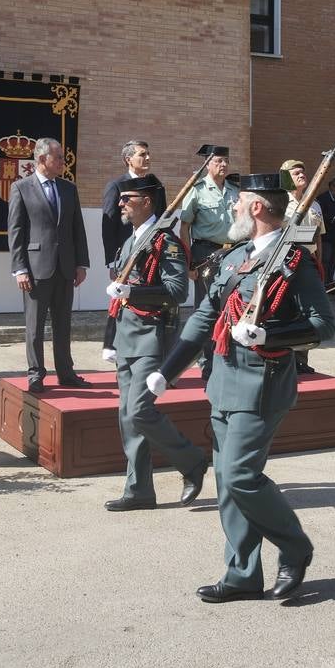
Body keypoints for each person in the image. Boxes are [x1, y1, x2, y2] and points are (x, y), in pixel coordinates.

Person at [145, 173, 335, 603]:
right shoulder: (235, 259)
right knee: (229, 486)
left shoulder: (294, 262)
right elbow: (204, 317)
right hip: (223, 381)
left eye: (238, 200)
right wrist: (168, 369)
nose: (231, 206)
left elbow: (325, 325)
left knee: (239, 476)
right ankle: (242, 574)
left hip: (262, 385)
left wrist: (270, 336)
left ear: (256, 208)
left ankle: (295, 547)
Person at [103, 174, 208, 511]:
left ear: (146, 201)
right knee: (127, 417)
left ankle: (192, 460)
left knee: (140, 410)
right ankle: (139, 490)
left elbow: (178, 291)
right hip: (126, 335)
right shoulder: (132, 239)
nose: (120, 203)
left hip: (152, 336)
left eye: (127, 198)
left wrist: (133, 292)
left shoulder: (166, 241)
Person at [8, 137, 91, 394]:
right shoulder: (21, 188)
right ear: (42, 159)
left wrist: (81, 264)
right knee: (34, 326)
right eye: (59, 158)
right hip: (35, 269)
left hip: (65, 268)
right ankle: (35, 375)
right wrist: (19, 268)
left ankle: (66, 373)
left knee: (63, 323)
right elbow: (16, 231)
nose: (63, 163)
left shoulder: (68, 188)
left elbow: (78, 228)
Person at [177, 145, 238, 306]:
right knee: (207, 302)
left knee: (230, 299)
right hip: (206, 254)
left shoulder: (235, 190)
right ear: (208, 164)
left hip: (233, 252)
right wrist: (189, 262)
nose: (224, 164)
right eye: (219, 161)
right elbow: (184, 227)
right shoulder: (197, 190)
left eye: (226, 161)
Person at [281, 158, 324, 374]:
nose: (301, 175)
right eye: (295, 173)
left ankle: (302, 359)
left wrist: (320, 265)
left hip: (309, 263)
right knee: (288, 311)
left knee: (308, 312)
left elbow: (318, 238)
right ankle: (286, 357)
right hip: (287, 263)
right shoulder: (280, 204)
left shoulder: (314, 204)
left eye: (303, 172)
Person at [101, 140, 167, 268]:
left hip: (154, 253)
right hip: (126, 256)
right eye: (142, 154)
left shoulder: (157, 187)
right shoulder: (116, 186)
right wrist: (112, 262)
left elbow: (162, 220)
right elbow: (109, 227)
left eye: (148, 154)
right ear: (129, 159)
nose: (148, 158)